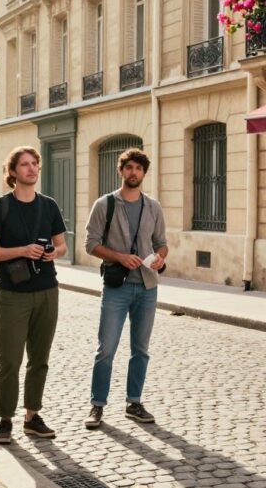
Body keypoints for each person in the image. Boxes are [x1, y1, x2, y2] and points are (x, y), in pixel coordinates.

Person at [0, 146, 67, 445]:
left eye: (35, 164)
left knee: (39, 358)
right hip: (13, 294)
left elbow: (62, 245)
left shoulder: (49, 206)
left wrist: (53, 253)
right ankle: (5, 419)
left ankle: (32, 417)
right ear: (13, 172)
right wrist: (21, 250)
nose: (31, 169)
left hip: (47, 291)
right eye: (25, 164)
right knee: (10, 360)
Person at [82, 148, 167, 429]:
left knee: (140, 349)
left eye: (139, 169)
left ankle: (134, 402)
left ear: (144, 173)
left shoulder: (153, 207)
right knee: (106, 348)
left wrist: (161, 257)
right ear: (121, 171)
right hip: (117, 287)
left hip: (147, 287)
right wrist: (119, 256)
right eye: (129, 167)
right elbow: (90, 244)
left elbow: (161, 242)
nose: (134, 172)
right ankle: (97, 406)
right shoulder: (104, 204)